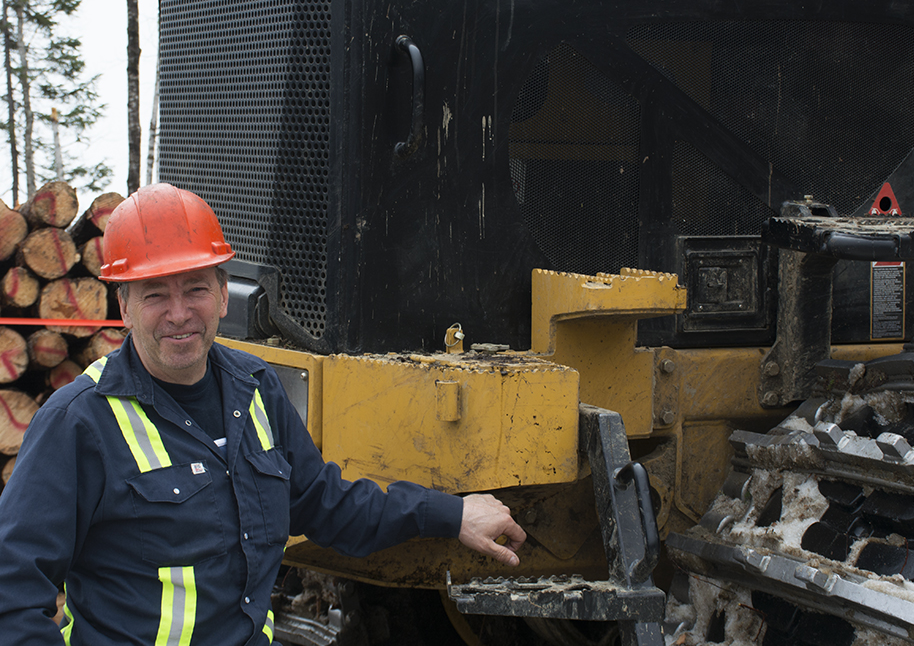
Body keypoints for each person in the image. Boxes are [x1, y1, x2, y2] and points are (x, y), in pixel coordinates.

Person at [0, 183, 526, 645]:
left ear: (225, 295)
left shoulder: (255, 388)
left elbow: (325, 504)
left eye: (196, 288)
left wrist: (451, 514)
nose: (179, 313)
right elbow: (12, 593)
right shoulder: (80, 421)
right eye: (155, 293)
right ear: (124, 308)